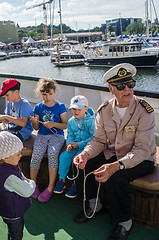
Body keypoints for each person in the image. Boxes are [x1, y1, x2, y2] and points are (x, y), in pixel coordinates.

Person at [73, 63, 156, 240]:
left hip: (142, 159)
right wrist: (85, 154)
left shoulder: (144, 111)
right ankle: (95, 206)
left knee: (118, 177)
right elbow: (98, 141)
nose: (127, 89)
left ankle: (125, 222)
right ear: (111, 89)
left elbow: (142, 149)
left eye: (130, 84)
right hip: (113, 154)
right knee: (86, 164)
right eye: (120, 86)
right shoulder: (103, 111)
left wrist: (116, 166)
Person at [30, 78, 68, 203]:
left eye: (49, 94)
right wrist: (35, 123)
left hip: (57, 135)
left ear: (54, 91)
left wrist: (53, 124)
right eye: (44, 94)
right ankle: (33, 185)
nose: (47, 97)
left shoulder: (60, 106)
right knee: (36, 154)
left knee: (52, 154)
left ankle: (50, 188)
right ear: (41, 93)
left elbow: (65, 125)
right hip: (42, 135)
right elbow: (36, 128)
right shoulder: (38, 107)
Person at [54, 95, 95, 198]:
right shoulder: (72, 121)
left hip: (86, 147)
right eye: (73, 109)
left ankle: (76, 184)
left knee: (77, 160)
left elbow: (93, 138)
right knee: (64, 157)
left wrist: (79, 144)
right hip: (74, 145)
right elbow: (70, 135)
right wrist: (69, 144)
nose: (76, 111)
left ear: (86, 108)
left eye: (79, 109)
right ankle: (62, 179)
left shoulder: (92, 121)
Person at [0, 131, 36, 240]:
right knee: (16, 235)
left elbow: (18, 173)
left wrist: (22, 178)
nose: (21, 155)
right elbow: (27, 192)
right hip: (13, 213)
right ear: (5, 157)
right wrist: (32, 183)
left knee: (12, 232)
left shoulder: (6, 165)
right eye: (18, 154)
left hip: (5, 209)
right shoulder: (9, 177)